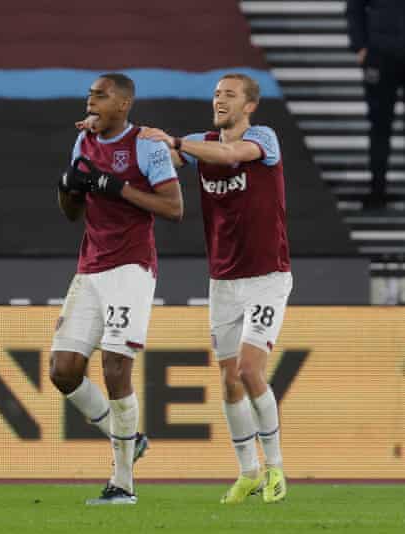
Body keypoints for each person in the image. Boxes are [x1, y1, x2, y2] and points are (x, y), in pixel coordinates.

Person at [139, 73, 292, 504]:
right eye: (216, 93)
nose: (219, 99)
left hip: (267, 276)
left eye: (229, 94)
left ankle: (276, 468)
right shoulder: (197, 142)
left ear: (250, 105)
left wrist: (178, 144)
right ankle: (247, 472)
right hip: (223, 280)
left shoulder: (264, 139)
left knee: (248, 369)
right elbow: (163, 162)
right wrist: (120, 143)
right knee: (228, 381)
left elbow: (229, 155)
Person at [51, 73, 183, 505]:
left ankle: (122, 483)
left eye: (101, 95)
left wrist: (118, 188)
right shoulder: (84, 141)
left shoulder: (145, 145)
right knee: (64, 371)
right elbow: (70, 214)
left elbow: (173, 207)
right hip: (90, 267)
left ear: (123, 104)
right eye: (90, 94)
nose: (91, 100)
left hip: (130, 267)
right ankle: (127, 436)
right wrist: (68, 187)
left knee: (114, 368)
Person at [346, 0, 405, 210]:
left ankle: (377, 189)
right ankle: (377, 188)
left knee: (379, 127)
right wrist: (360, 45)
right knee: (380, 125)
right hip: (380, 56)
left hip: (381, 51)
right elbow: (355, 7)